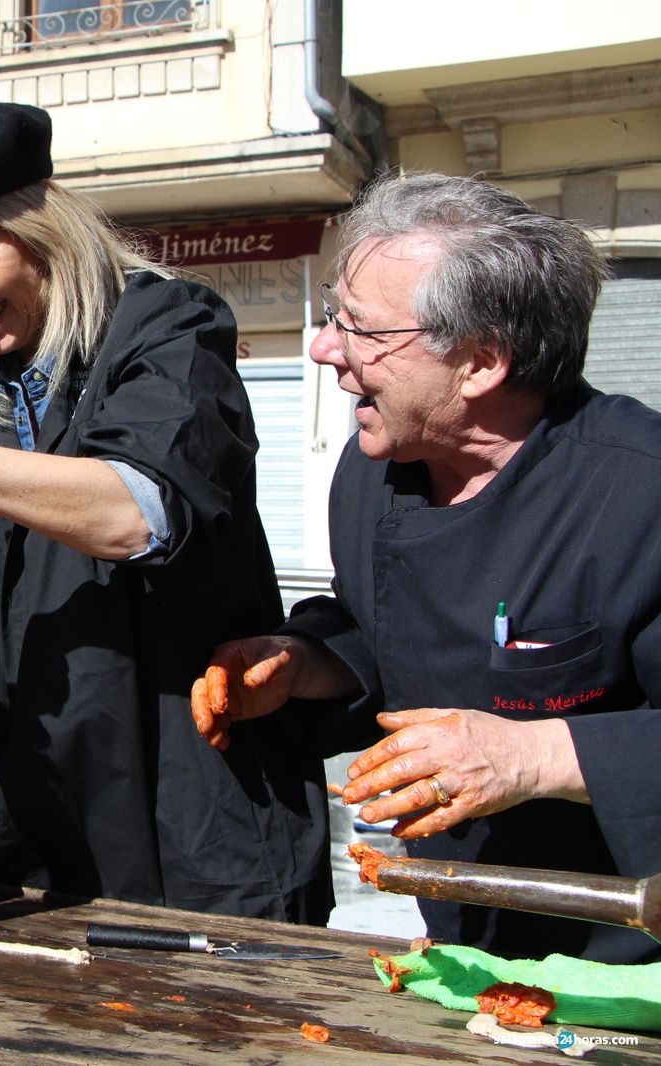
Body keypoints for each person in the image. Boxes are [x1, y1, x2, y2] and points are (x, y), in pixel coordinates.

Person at [0, 99, 327, 918]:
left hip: (186, 805)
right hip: (18, 820)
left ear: (40, 228)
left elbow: (137, 512)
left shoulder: (168, 327)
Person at [190, 172, 661, 964]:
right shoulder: (372, 470)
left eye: (361, 330)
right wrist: (303, 665)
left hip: (627, 961)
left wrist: (532, 754)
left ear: (480, 362)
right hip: (461, 937)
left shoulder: (640, 493)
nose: (322, 348)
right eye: (333, 315)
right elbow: (382, 626)